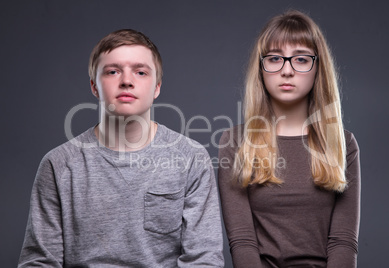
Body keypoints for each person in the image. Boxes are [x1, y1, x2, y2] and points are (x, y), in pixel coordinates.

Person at [19, 29, 224, 267]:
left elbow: (204, 259)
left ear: (157, 87)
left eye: (140, 72)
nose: (127, 81)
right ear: (95, 86)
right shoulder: (58, 164)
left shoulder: (191, 158)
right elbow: (39, 262)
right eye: (113, 71)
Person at [218, 10, 360, 268]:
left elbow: (343, 242)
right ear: (260, 68)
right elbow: (242, 242)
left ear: (318, 68)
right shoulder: (235, 141)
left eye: (301, 59)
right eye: (274, 58)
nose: (286, 70)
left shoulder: (343, 144)